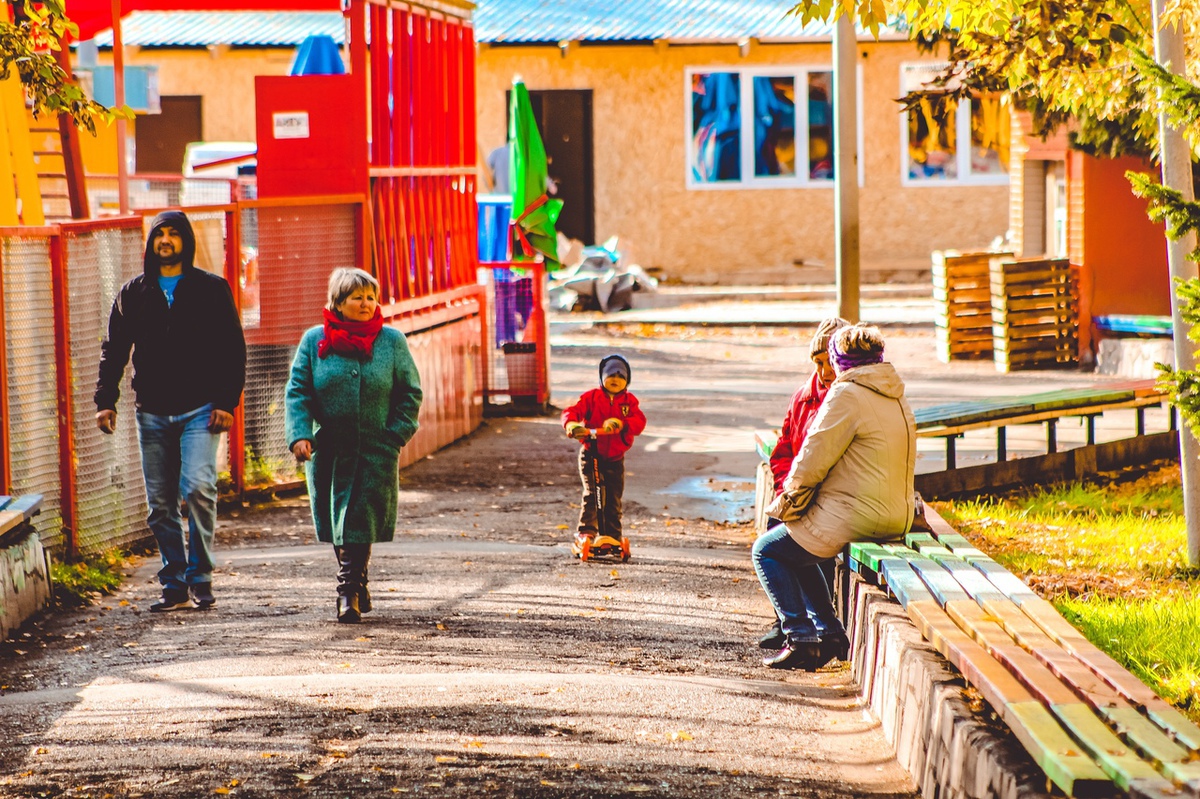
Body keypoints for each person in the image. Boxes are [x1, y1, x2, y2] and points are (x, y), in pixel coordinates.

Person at [94, 210, 246, 613]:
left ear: (185, 241)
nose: (165, 240)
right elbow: (114, 349)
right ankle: (174, 583)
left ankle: (201, 577)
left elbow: (232, 348)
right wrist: (105, 401)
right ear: (151, 242)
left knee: (198, 488)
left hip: (201, 409)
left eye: (174, 233)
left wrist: (226, 402)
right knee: (160, 504)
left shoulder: (211, 289)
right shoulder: (133, 293)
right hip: (152, 412)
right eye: (159, 233)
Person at [755, 324, 916, 670]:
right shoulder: (895, 393)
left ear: (840, 360)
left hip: (859, 515)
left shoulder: (846, 394)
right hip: (896, 516)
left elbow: (812, 457)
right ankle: (829, 633)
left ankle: (800, 636)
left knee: (767, 551)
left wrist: (788, 498)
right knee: (798, 544)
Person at [285, 268, 423, 623]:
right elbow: (298, 392)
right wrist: (300, 434)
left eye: (371, 297)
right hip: (329, 449)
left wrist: (395, 435)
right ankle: (357, 583)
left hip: (376, 448)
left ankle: (346, 592)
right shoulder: (314, 341)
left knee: (361, 517)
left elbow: (410, 393)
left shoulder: (391, 341)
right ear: (338, 302)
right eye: (357, 297)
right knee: (338, 522)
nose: (366, 304)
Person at [758, 316, 849, 651]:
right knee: (776, 526)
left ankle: (815, 627)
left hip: (831, 499)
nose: (823, 371)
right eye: (818, 363)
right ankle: (786, 620)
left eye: (829, 362)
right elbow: (783, 450)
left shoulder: (846, 399)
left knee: (799, 544)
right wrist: (787, 489)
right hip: (799, 493)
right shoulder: (803, 397)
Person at [562, 354, 647, 553]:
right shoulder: (591, 398)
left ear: (627, 380)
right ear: (602, 377)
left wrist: (621, 423)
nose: (615, 379)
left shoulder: (629, 402)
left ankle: (612, 536)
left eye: (621, 376)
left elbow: (639, 421)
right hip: (591, 454)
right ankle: (586, 533)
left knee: (613, 498)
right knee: (593, 494)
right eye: (611, 375)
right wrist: (572, 424)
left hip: (615, 458)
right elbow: (572, 411)